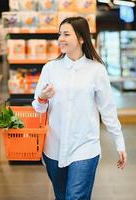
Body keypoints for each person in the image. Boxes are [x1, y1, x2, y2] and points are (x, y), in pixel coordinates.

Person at [32, 16, 127, 200]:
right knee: (62, 197)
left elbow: (107, 110)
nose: (61, 39)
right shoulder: (50, 69)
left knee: (75, 197)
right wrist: (43, 98)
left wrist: (119, 142)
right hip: (53, 147)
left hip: (85, 146)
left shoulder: (96, 70)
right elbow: (38, 108)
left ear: (82, 38)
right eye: (59, 34)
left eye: (66, 34)